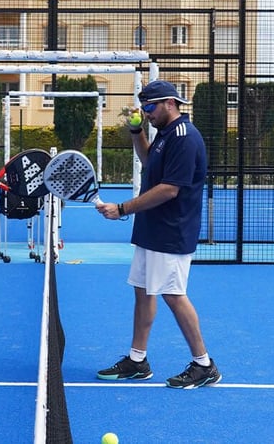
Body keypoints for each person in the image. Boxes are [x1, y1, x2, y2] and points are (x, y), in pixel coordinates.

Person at [94, 80, 220, 389]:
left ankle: (204, 364)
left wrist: (123, 208)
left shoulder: (185, 137)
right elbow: (150, 162)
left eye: (150, 108)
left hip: (172, 231)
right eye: (143, 109)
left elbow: (169, 189)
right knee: (143, 290)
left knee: (173, 295)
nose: (147, 113)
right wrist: (137, 132)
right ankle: (138, 360)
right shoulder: (164, 135)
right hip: (152, 229)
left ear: (169, 103)